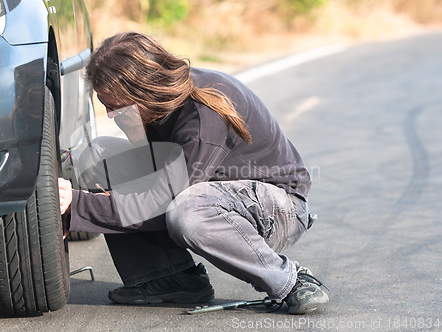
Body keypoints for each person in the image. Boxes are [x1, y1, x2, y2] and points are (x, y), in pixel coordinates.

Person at [58, 31, 329, 315]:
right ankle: (169, 279)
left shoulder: (202, 116)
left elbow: (161, 202)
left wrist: (78, 204)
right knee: (98, 154)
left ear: (142, 90)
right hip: (212, 190)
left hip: (277, 208)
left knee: (186, 211)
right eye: (105, 106)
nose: (111, 115)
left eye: (115, 106)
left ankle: (290, 280)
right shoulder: (157, 104)